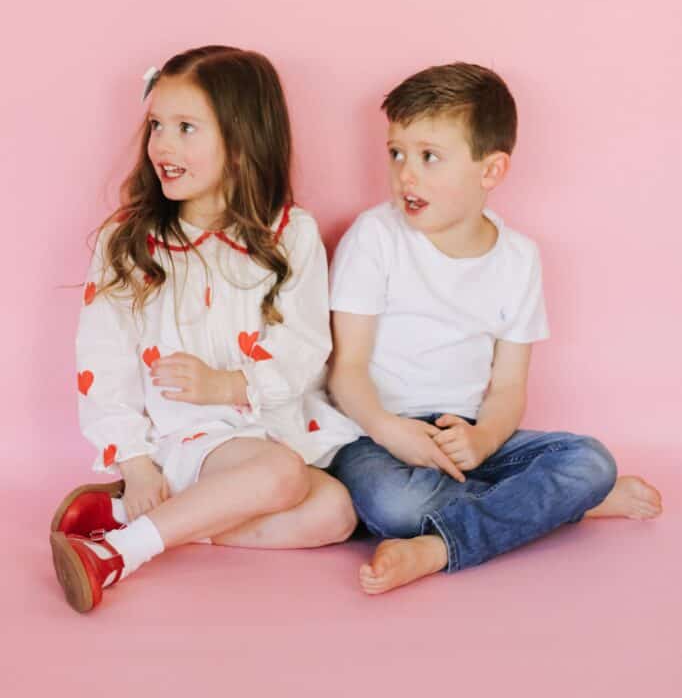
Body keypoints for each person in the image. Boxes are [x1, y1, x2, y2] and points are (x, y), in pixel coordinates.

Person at [327, 62, 662, 596]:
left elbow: (508, 388)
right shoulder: (375, 237)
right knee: (396, 504)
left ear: (491, 171)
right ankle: (562, 508)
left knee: (590, 460)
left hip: (468, 432)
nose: (405, 174)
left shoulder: (519, 259)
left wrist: (482, 439)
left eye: (429, 157)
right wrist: (391, 429)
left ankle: (439, 547)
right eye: (396, 153)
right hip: (375, 433)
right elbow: (346, 371)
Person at [51, 45, 358, 613]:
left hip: (267, 426)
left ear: (241, 144)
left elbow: (306, 343)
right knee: (280, 475)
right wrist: (136, 464)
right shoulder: (132, 242)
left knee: (336, 514)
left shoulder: (291, 233)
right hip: (183, 439)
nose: (162, 145)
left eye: (186, 128)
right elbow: (103, 358)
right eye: (156, 126)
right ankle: (119, 554)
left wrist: (230, 386)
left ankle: (130, 520)